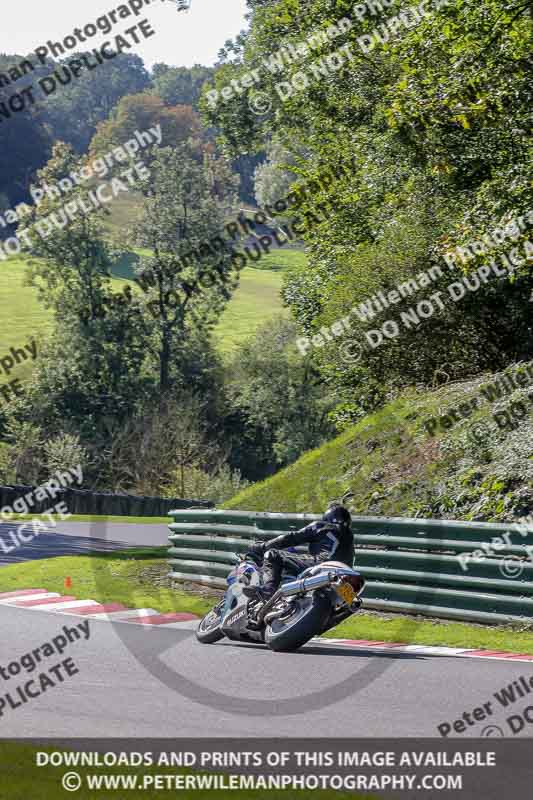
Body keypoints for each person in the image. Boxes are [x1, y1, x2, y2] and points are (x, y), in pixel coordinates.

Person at [245, 504, 354, 603]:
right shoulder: (350, 540)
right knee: (349, 602)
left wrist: (261, 547)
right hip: (344, 578)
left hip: (321, 565)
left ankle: (267, 591)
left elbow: (291, 538)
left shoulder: (322, 526)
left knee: (272, 554)